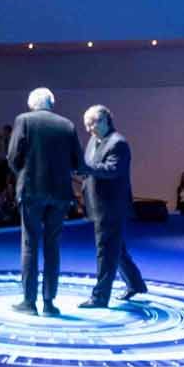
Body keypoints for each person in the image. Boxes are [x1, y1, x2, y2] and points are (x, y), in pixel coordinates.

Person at [7, 86, 82, 316]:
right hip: (60, 194)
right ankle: (49, 303)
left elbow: (12, 156)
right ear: (52, 102)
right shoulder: (67, 125)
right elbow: (77, 162)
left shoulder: (24, 121)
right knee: (53, 246)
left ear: (32, 104)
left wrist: (23, 174)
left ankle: (29, 302)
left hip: (31, 191)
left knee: (29, 245)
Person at [77, 104, 147, 307]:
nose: (89, 128)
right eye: (86, 124)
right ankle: (135, 284)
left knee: (106, 250)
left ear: (106, 120)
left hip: (111, 206)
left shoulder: (118, 143)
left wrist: (85, 168)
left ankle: (100, 297)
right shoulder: (93, 140)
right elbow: (90, 165)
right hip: (97, 205)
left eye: (92, 123)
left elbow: (112, 170)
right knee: (116, 249)